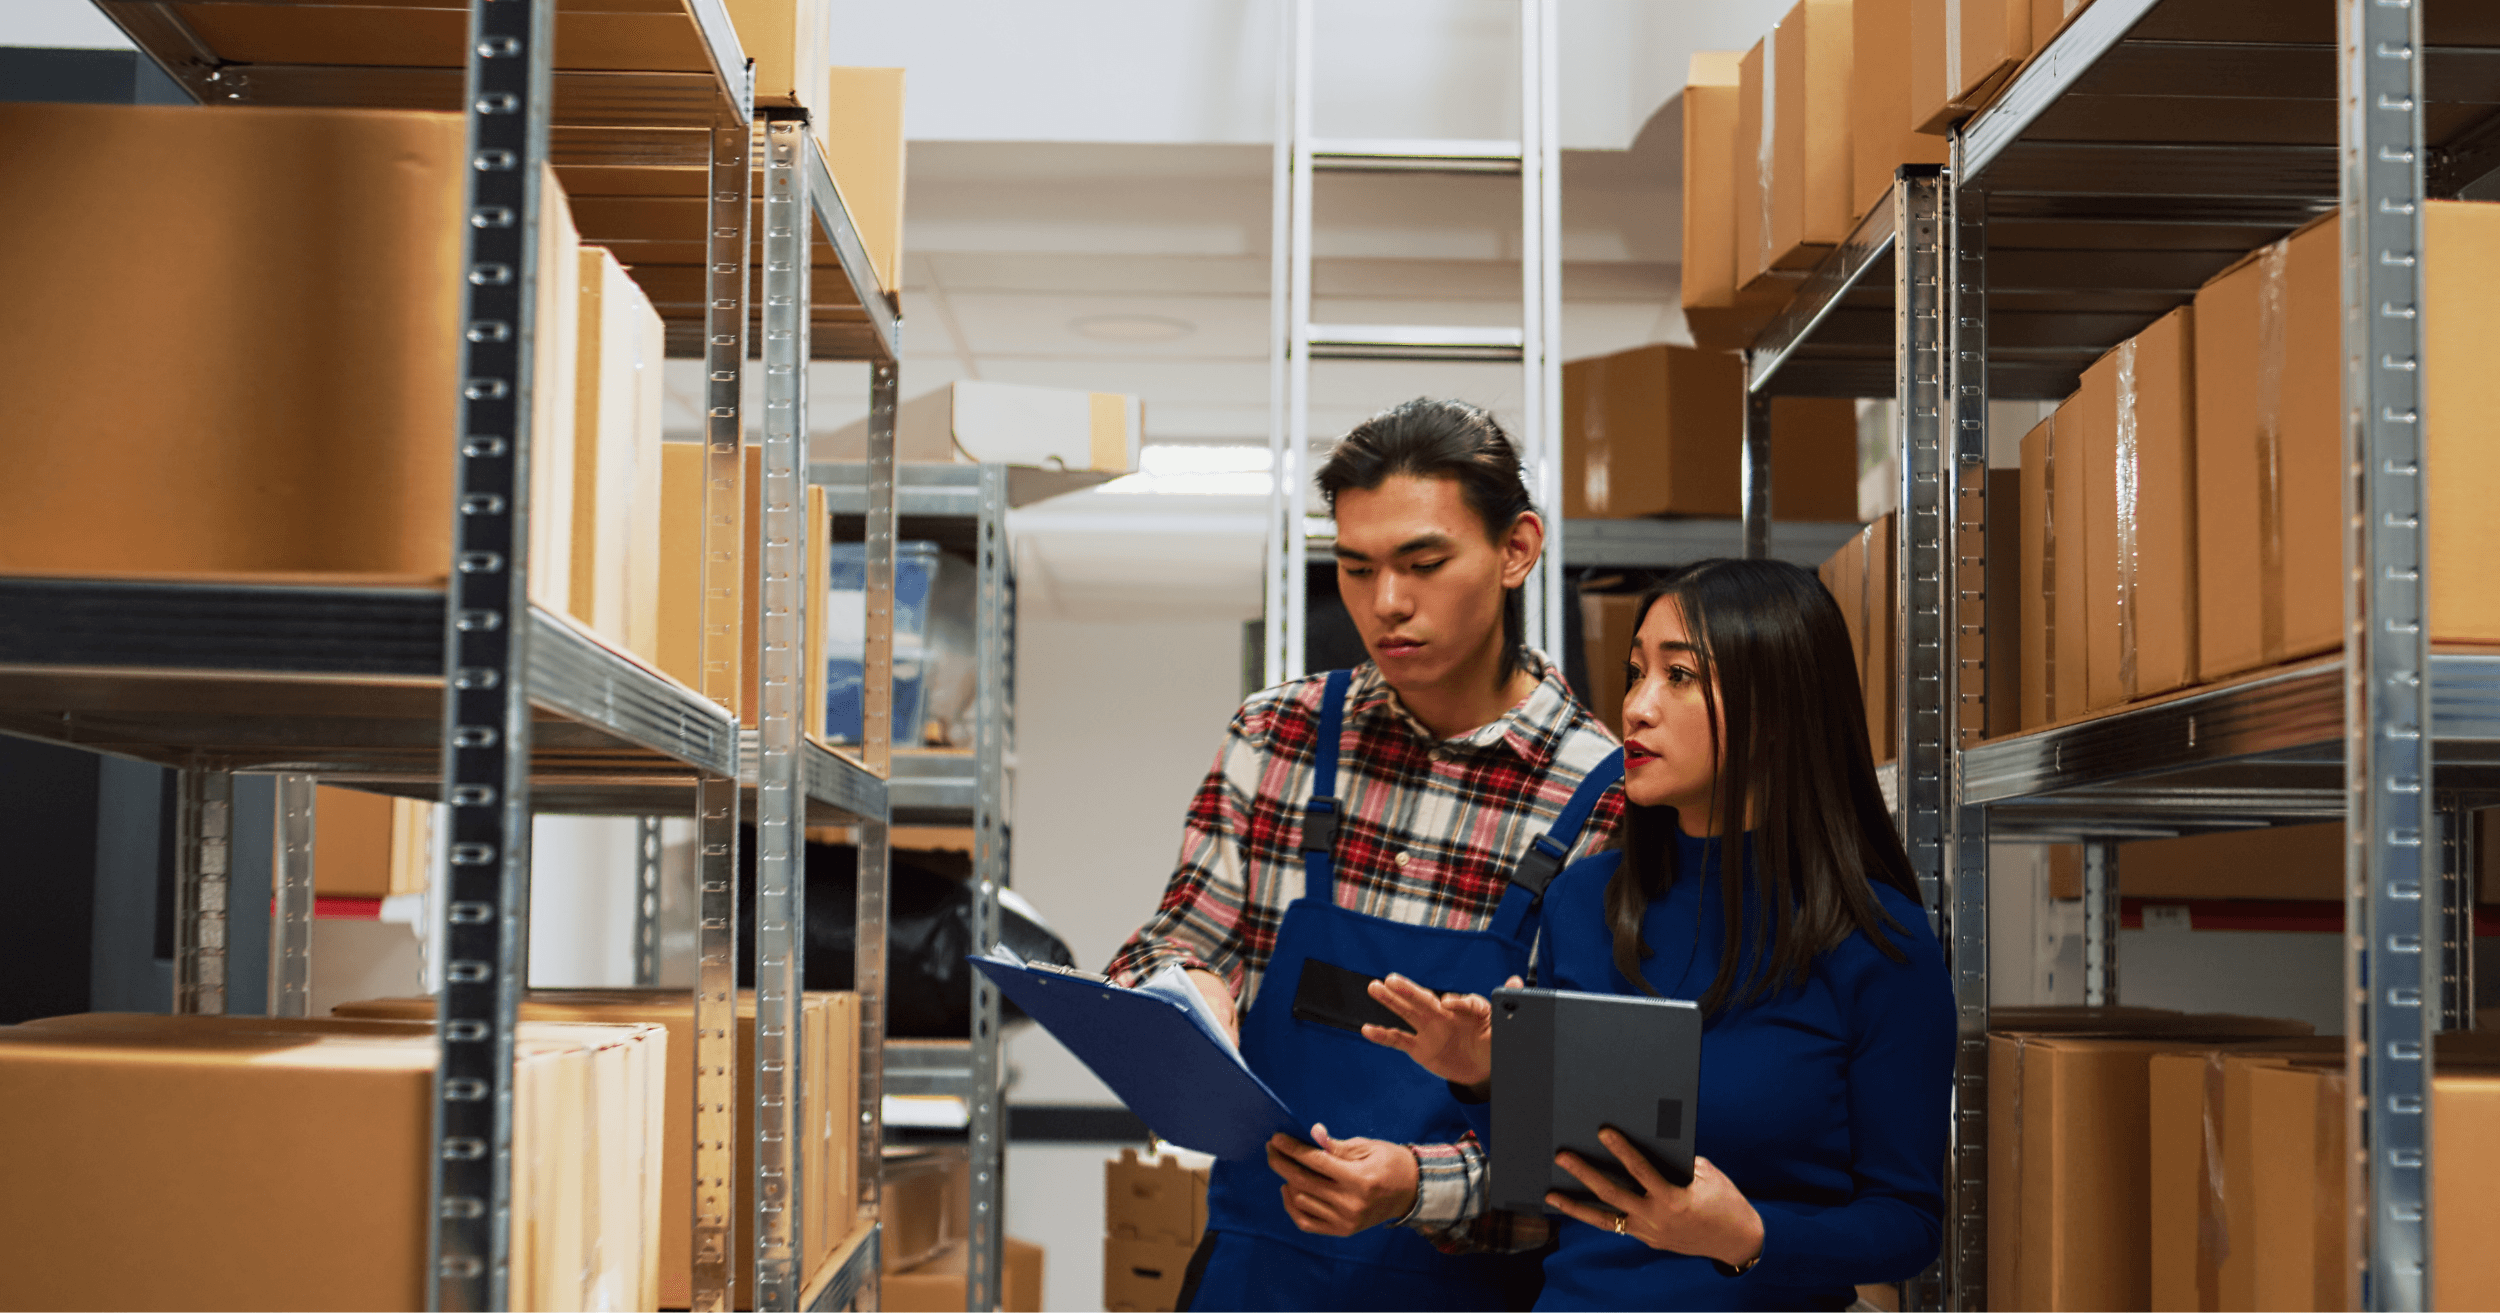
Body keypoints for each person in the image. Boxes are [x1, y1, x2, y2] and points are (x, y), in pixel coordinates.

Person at [1107, 398, 1627, 1312]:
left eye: (1424, 564)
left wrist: (1415, 1186)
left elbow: (1598, 1129)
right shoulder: (1280, 735)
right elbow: (1175, 941)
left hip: (1464, 1287)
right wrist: (1182, 991)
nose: (1386, 603)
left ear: (1517, 549)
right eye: (1356, 567)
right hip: (1253, 1270)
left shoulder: (1607, 797)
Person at [1359, 557, 1956, 1311]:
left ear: (1777, 708)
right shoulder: (1582, 901)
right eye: (1636, 671)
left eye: (1679, 677)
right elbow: (1553, 1188)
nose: (1636, 706)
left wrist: (1748, 1235)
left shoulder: (1876, 938)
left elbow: (1906, 1223)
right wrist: (1481, 1075)